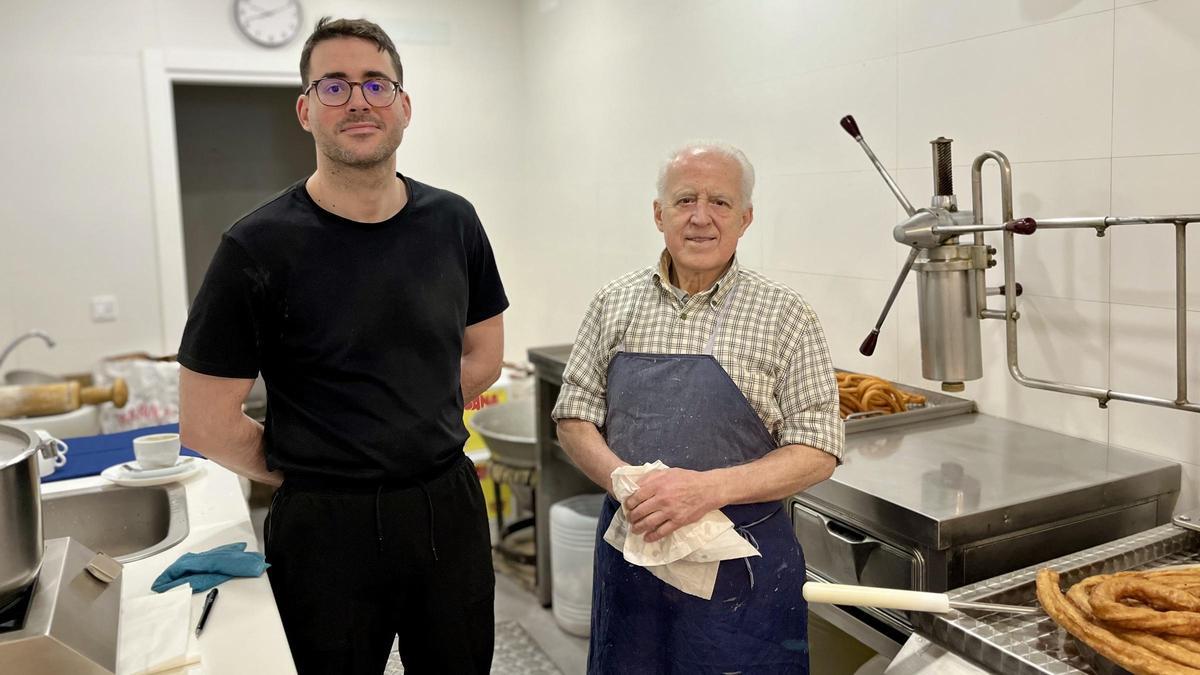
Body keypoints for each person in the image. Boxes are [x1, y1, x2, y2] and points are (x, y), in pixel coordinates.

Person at [177, 17, 507, 674]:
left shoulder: (454, 221)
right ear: (305, 109)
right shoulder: (255, 246)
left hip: (447, 509)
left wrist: (408, 420)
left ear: (403, 106)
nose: (358, 100)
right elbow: (206, 420)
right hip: (323, 532)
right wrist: (314, 469)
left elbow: (484, 355)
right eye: (334, 86)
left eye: (375, 84)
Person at [552, 142, 843, 674]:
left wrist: (705, 490)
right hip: (632, 551)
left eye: (720, 203)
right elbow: (574, 418)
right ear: (658, 213)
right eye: (685, 200)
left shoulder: (787, 316)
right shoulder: (612, 302)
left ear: (746, 218)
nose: (701, 218)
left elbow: (818, 451)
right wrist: (625, 483)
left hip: (742, 571)